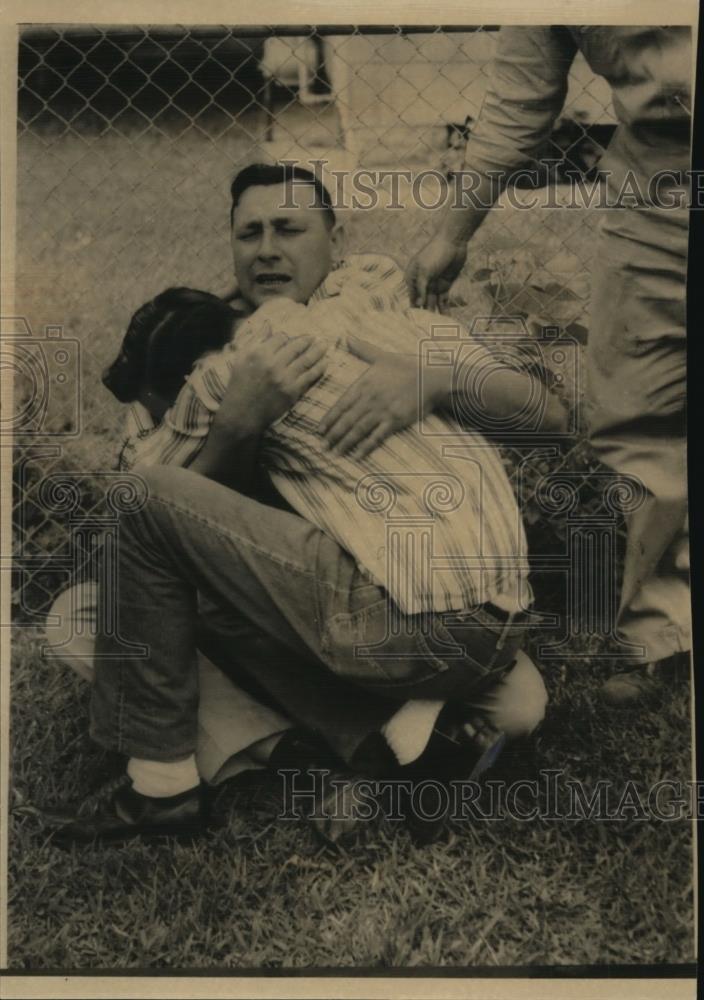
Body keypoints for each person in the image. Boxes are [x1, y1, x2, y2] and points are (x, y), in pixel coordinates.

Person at [39, 162, 564, 846]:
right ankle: (376, 747)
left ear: (334, 240)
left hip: (394, 609)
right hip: (346, 604)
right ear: (229, 247)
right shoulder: (194, 345)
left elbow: (550, 417)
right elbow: (147, 543)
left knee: (520, 709)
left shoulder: (386, 318)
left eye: (289, 229)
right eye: (249, 233)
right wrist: (240, 425)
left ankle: (197, 777)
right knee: (81, 618)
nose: (266, 249)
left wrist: (433, 379)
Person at [405, 26, 692, 705]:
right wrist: (451, 235)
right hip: (657, 182)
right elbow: (517, 105)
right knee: (639, 414)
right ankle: (668, 634)